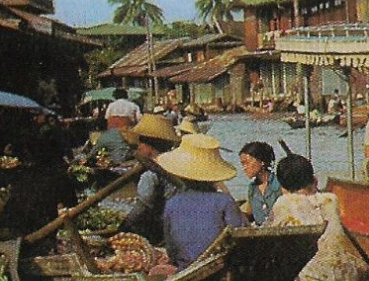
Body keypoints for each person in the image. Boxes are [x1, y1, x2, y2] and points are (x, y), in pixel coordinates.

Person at [267, 154, 368, 281]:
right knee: (361, 267)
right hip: (344, 275)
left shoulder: (283, 203)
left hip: (310, 280)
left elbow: (271, 238)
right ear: (313, 179)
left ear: (282, 186)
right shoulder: (331, 199)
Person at [157, 134, 248, 270]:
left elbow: (171, 250)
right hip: (220, 265)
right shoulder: (224, 201)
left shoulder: (172, 203)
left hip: (186, 267)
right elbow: (240, 240)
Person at [118, 113, 182, 243]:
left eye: (141, 143)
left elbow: (142, 207)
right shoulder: (177, 164)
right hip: (179, 223)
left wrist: (122, 229)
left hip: (163, 227)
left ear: (150, 146)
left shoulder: (151, 174)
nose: (139, 147)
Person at [239, 141, 281, 225]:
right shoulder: (252, 188)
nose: (244, 168)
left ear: (262, 162)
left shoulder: (279, 184)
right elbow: (250, 214)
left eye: (247, 163)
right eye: (243, 164)